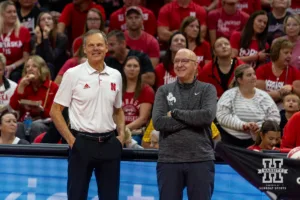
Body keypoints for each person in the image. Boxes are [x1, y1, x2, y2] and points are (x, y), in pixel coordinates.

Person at [50, 29, 125, 200]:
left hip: (109, 144)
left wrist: (120, 136)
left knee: (110, 197)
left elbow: (118, 110)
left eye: (99, 45)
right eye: (91, 45)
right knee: (76, 196)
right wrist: (71, 141)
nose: (95, 49)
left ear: (107, 48)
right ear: (85, 49)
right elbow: (55, 111)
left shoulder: (116, 75)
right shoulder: (72, 74)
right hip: (81, 143)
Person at [152, 48, 216, 200]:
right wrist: (193, 120)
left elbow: (206, 117)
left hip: (201, 159)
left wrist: (175, 113)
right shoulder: (163, 90)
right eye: (177, 61)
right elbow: (159, 122)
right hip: (169, 160)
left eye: (184, 61)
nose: (179, 64)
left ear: (196, 65)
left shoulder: (207, 89)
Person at [216, 64, 280, 148]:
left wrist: (259, 127)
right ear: (240, 80)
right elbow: (222, 116)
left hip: (257, 141)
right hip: (229, 141)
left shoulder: (264, 96)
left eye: (254, 74)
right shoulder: (229, 95)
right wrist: (243, 125)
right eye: (249, 75)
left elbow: (275, 117)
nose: (254, 77)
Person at [9, 55, 59, 142]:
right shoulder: (23, 84)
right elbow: (13, 107)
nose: (30, 69)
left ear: (42, 69)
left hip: (44, 123)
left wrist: (41, 111)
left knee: (36, 127)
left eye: (34, 66)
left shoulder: (53, 87)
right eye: (27, 67)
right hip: (25, 121)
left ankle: (37, 154)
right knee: (18, 126)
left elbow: (55, 114)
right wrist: (20, 88)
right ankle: (19, 154)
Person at [256, 38, 300, 108]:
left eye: (290, 53)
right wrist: (279, 94)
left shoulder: (295, 72)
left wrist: (292, 88)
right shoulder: (262, 70)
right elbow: (258, 95)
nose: (289, 56)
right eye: (286, 53)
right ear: (276, 53)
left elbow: (298, 95)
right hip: (263, 107)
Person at [122, 56, 154, 144]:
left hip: (136, 133)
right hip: (119, 131)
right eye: (129, 66)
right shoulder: (117, 88)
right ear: (124, 68)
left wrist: (123, 130)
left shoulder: (146, 90)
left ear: (140, 69)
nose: (132, 69)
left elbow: (143, 119)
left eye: (135, 66)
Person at [0, 1, 31, 83]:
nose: (13, 14)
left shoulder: (24, 31)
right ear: (1, 14)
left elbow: (26, 58)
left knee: (15, 75)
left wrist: (11, 67)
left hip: (16, 68)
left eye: (14, 12)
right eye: (9, 12)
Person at [33, 12, 69, 78]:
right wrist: (39, 41)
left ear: (54, 23)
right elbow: (37, 60)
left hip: (58, 69)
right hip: (40, 69)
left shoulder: (62, 38)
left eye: (49, 19)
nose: (46, 21)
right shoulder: (34, 38)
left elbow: (51, 59)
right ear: (38, 25)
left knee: (49, 66)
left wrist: (46, 38)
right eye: (43, 19)